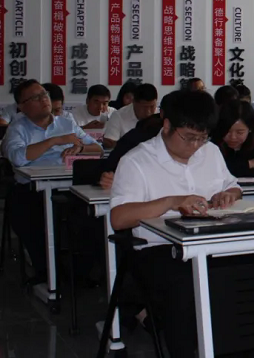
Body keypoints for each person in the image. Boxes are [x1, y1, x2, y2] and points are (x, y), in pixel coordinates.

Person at [111, 90, 241, 358]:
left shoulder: (211, 152)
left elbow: (233, 186)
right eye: (189, 137)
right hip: (159, 250)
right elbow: (119, 217)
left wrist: (228, 194)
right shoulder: (136, 161)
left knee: (248, 275)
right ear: (167, 124)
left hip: (212, 243)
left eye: (202, 138)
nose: (195, 146)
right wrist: (171, 201)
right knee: (184, 285)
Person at [3, 80, 102, 283]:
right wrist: (54, 141)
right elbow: (18, 158)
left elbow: (98, 149)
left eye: (44, 94)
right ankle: (47, 272)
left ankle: (80, 272)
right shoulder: (17, 128)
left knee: (92, 214)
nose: (44, 100)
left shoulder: (66, 123)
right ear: (22, 106)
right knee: (25, 211)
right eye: (35, 97)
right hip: (32, 190)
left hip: (67, 186)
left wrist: (80, 148)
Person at [212, 99, 254, 178]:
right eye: (227, 131)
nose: (233, 137)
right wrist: (251, 163)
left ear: (250, 129)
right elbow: (216, 169)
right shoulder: (214, 142)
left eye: (239, 132)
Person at [103, 84, 159, 149]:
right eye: (144, 107)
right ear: (134, 102)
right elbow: (110, 143)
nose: (148, 112)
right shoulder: (118, 116)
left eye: (152, 106)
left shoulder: (160, 115)